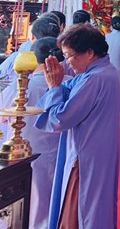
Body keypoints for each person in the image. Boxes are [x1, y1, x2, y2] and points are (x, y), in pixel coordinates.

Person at [35, 24, 120, 229]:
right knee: (95, 208)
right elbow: (71, 89)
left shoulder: (94, 79)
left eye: (69, 56)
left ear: (89, 52)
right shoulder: (105, 70)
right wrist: (57, 86)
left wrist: (54, 88)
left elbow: (60, 119)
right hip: (98, 152)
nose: (67, 62)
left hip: (85, 157)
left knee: (77, 212)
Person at [0, 37, 71, 229]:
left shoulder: (21, 85)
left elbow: (3, 115)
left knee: (31, 197)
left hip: (25, 149)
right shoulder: (70, 83)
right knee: (54, 194)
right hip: (60, 149)